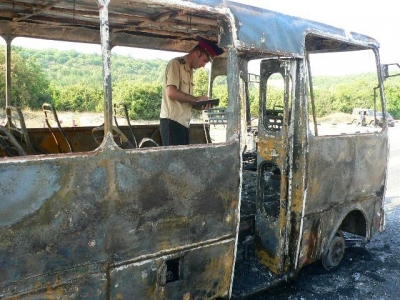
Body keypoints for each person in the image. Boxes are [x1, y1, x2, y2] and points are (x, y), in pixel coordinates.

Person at [159, 36, 224, 146]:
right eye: (204, 61)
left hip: (184, 123)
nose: (203, 66)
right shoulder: (176, 64)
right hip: (172, 122)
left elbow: (184, 99)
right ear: (197, 53)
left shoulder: (190, 71)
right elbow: (171, 92)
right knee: (175, 161)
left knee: (182, 161)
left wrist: (199, 104)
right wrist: (196, 99)